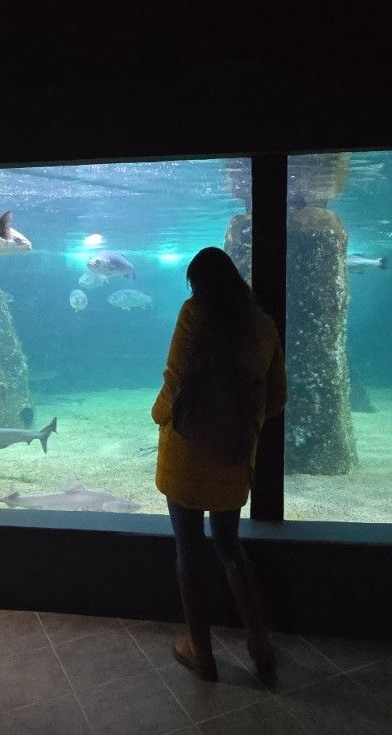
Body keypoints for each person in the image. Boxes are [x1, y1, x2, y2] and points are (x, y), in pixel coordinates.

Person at [151, 246, 287, 683]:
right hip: (233, 457)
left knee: (188, 550)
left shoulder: (195, 315)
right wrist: (236, 424)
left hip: (187, 455)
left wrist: (161, 415)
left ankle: (202, 652)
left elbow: (175, 378)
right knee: (230, 546)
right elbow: (277, 396)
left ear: (197, 285)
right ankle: (260, 646)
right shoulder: (263, 325)